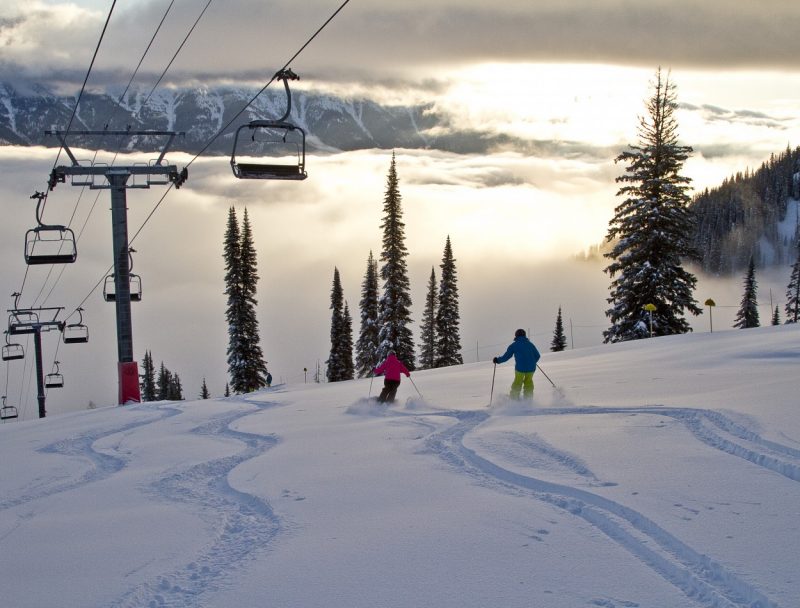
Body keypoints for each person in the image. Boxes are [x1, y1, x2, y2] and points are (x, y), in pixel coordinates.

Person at [493, 329, 541, 400]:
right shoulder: (530, 344)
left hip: (520, 369)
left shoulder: (514, 345)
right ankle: (528, 399)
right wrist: (533, 362)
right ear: (525, 335)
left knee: (517, 382)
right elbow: (537, 355)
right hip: (531, 368)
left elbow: (506, 356)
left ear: (516, 335)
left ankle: (514, 399)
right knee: (529, 383)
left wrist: (498, 360)